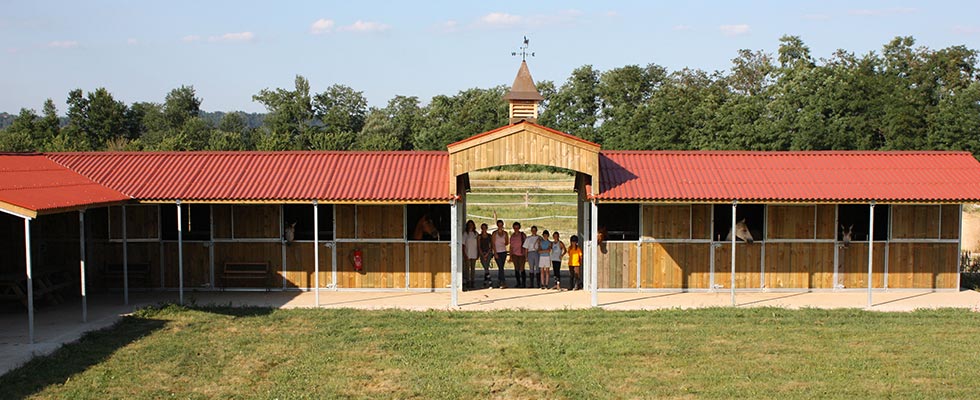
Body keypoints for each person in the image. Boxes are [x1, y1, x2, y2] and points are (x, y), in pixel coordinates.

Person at [509, 221, 528, 288]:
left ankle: (523, 283)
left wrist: (526, 256)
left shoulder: (523, 235)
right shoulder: (512, 236)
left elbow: (526, 246)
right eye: (515, 228)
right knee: (516, 269)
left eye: (517, 227)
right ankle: (518, 283)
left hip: (521, 254)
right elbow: (511, 246)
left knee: (522, 268)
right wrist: (510, 256)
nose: (516, 229)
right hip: (515, 254)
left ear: (519, 228)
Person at [492, 220, 509, 288]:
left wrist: (503, 243)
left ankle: (499, 281)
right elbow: (493, 243)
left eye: (501, 225)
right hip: (497, 252)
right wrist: (495, 253)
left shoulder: (505, 233)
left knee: (501, 267)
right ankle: (503, 282)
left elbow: (507, 242)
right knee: (501, 267)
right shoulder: (494, 233)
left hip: (503, 252)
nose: (500, 226)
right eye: (499, 225)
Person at [461, 220, 478, 290]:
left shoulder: (476, 234)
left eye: (472, 224)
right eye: (469, 224)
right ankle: (467, 281)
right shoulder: (465, 234)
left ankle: (472, 281)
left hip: (474, 253)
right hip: (467, 253)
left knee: (473, 268)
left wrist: (478, 253)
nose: (471, 226)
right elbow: (463, 244)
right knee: (467, 268)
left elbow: (478, 244)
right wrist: (464, 253)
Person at [477, 223, 493, 288]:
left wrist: (487, 254)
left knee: (486, 267)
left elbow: (491, 246)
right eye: (482, 228)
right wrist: (482, 254)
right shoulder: (479, 236)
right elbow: (479, 246)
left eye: (485, 227)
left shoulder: (489, 236)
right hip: (482, 253)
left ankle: (487, 282)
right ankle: (488, 281)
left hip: (488, 253)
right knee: (486, 267)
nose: (484, 229)